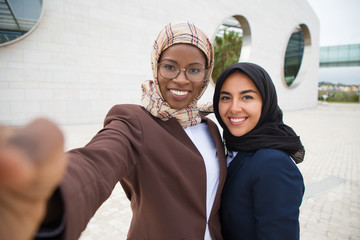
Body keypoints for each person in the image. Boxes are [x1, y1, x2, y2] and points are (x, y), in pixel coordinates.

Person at [0, 22, 227, 240]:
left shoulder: (210, 127)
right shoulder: (135, 123)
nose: (181, 79)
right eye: (169, 67)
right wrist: (48, 198)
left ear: (206, 75)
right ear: (155, 67)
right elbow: (97, 162)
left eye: (194, 70)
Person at [212, 62, 305, 240]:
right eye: (225, 98)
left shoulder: (273, 164)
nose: (234, 108)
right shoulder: (233, 147)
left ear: (266, 101)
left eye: (246, 97)